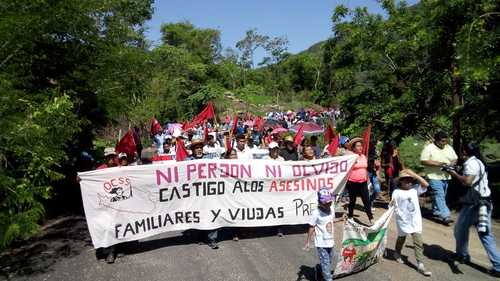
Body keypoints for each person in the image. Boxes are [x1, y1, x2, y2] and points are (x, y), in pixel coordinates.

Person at [445, 142, 500, 277]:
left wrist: (452, 172)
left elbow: (467, 181)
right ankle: (498, 266)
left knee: (460, 229)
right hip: (485, 202)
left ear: (464, 151)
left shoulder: (471, 163)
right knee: (485, 234)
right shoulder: (479, 161)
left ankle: (462, 255)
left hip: (473, 205)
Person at [391, 169, 432, 277]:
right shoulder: (397, 192)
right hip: (403, 221)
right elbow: (392, 206)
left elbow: (426, 184)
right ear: (400, 182)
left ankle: (420, 264)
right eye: (405, 180)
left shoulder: (415, 190)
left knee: (418, 242)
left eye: (410, 180)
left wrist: (414, 174)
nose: (408, 182)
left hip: (415, 221)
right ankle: (397, 252)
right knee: (401, 238)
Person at [186, 138, 220, 249]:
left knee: (211, 214)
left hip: (209, 192)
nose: (199, 149)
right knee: (198, 214)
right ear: (192, 150)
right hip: (195, 194)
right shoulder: (187, 161)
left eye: (200, 147)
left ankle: (212, 239)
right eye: (196, 148)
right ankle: (200, 236)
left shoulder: (209, 159)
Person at [420, 131, 457, 225]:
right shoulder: (429, 148)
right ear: (436, 140)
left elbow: (454, 158)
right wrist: (439, 164)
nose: (444, 143)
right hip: (433, 176)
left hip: (446, 176)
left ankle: (436, 211)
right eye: (442, 141)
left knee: (442, 195)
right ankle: (446, 216)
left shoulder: (448, 147)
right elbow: (423, 161)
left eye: (445, 141)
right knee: (439, 195)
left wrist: (451, 164)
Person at [304, 187, 335, 281]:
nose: (329, 204)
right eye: (326, 202)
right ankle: (328, 279)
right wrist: (308, 242)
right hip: (321, 243)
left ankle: (318, 270)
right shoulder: (316, 213)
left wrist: (341, 219)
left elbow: (331, 221)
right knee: (326, 263)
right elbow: (311, 227)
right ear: (320, 202)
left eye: (330, 202)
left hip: (330, 241)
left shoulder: (332, 209)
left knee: (328, 261)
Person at [345, 138, 373, 224]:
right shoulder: (350, 157)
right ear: (353, 148)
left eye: (361, 145)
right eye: (358, 146)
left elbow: (365, 168)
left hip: (363, 182)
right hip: (352, 182)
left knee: (366, 200)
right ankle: (350, 216)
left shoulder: (364, 157)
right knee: (352, 200)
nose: (360, 147)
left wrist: (368, 179)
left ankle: (371, 218)